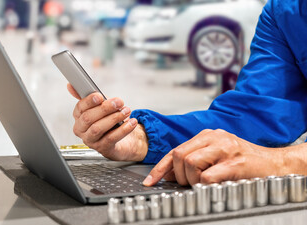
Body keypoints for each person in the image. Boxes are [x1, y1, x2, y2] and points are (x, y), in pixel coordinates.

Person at [67, 0, 307, 187]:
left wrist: (280, 161)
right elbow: (257, 116)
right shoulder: (285, 12)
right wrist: (141, 139)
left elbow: (268, 154)